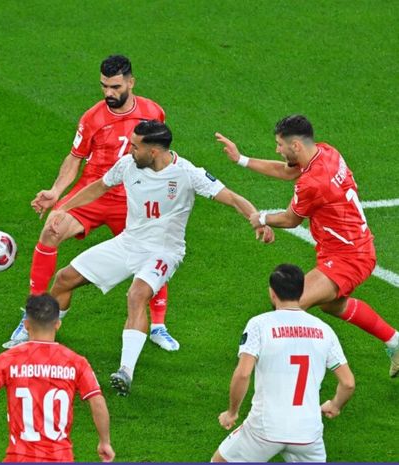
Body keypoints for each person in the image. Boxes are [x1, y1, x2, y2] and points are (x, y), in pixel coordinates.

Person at [47, 120, 274, 396]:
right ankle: (44, 342)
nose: (129, 150)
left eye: (135, 146)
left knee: (136, 294)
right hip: (128, 243)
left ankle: (125, 372)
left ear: (153, 151)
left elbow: (234, 198)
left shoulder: (188, 173)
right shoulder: (128, 165)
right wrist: (63, 208)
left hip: (164, 251)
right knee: (64, 279)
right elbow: (99, 187)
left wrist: (258, 220)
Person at [3, 55, 177, 351]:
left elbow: (159, 155)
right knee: (50, 231)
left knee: (155, 250)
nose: (109, 93)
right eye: (104, 86)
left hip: (133, 197)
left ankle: (158, 325)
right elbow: (75, 158)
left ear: (131, 82)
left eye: (115, 86)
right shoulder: (92, 118)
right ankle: (32, 315)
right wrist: (57, 191)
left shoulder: (153, 112)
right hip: (95, 191)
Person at [215, 115, 399, 377]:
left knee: (290, 304)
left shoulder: (313, 183)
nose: (278, 149)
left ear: (296, 145)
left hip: (349, 256)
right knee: (331, 304)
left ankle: (284, 369)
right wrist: (241, 159)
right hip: (350, 246)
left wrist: (262, 218)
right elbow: (286, 170)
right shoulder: (326, 152)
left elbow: (290, 220)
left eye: (280, 145)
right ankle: (395, 342)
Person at [212, 264, 355, 462]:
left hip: (264, 430)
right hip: (308, 435)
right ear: (301, 290)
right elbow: (348, 383)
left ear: (272, 293)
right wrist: (335, 405)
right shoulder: (324, 330)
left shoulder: (259, 325)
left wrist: (232, 413)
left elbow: (243, 374)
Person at [0, 294, 114, 463]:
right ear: (58, 324)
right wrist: (105, 442)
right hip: (60, 458)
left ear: (26, 324)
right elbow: (97, 401)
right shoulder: (76, 362)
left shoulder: (8, 359)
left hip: (19, 458)